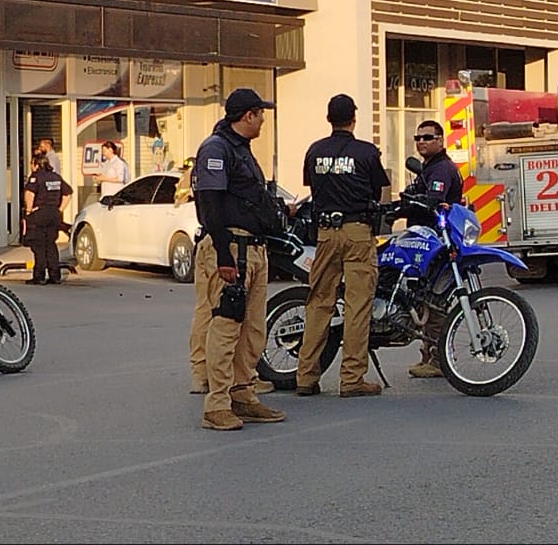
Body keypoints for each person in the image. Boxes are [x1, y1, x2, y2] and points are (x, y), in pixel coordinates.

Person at [192, 88, 285, 431]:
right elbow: (210, 203)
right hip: (231, 248)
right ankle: (217, 404)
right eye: (261, 114)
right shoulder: (216, 148)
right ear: (248, 115)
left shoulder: (240, 149)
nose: (263, 120)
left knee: (252, 329)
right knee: (226, 326)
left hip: (253, 248)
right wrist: (222, 255)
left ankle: (243, 394)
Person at [296, 94, 390, 398]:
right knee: (357, 305)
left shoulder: (314, 151)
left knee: (319, 303)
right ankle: (351, 379)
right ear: (353, 118)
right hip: (357, 232)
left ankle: (306, 376)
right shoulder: (365, 153)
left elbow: (312, 187)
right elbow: (377, 191)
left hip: (324, 233)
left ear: (328, 119)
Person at [403, 119, 463, 379]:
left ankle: (437, 359)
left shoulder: (440, 169)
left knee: (434, 301)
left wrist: (413, 203)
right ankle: (428, 354)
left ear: (440, 140)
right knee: (424, 297)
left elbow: (433, 201)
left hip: (437, 242)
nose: (421, 142)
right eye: (418, 138)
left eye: (427, 137)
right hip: (425, 240)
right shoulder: (427, 169)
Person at [21, 151, 73, 285]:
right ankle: (55, 276)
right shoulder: (56, 177)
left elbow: (30, 194)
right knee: (50, 245)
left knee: (39, 245)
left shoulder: (36, 177)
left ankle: (39, 276)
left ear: (36, 164)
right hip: (54, 214)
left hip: (39, 214)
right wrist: (60, 209)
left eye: (32, 164)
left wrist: (28, 210)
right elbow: (68, 194)